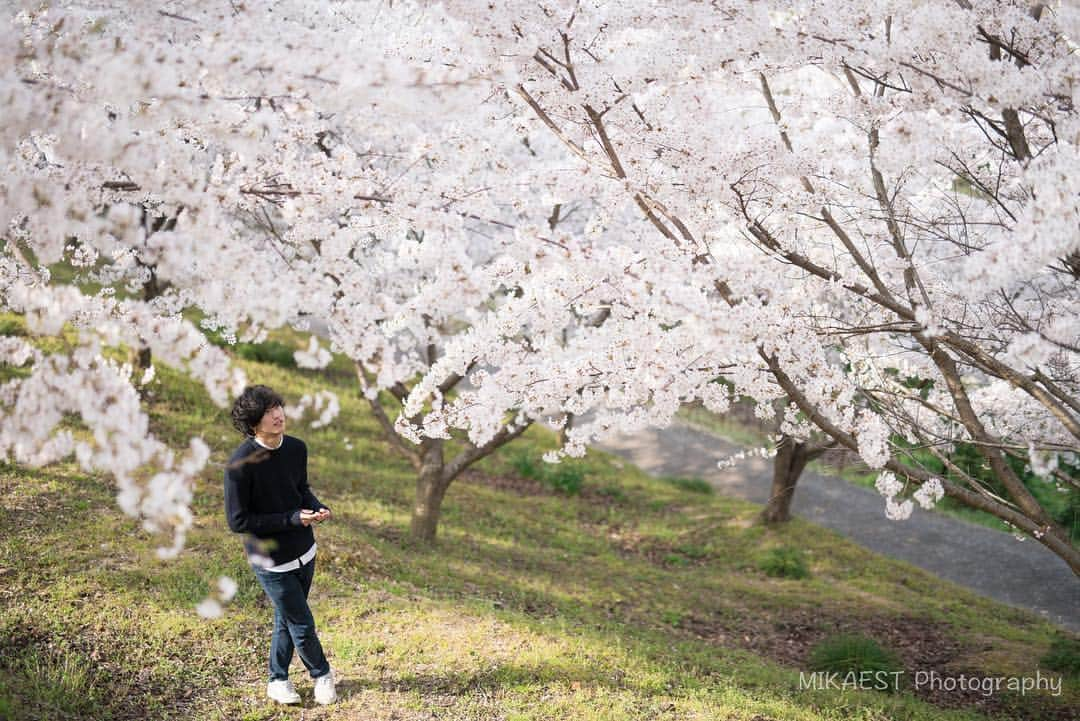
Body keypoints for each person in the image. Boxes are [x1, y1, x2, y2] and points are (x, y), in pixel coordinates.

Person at [224, 384, 337, 706]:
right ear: (252, 423)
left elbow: (300, 488)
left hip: (305, 551)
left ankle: (277, 679)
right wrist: (291, 519)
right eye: (267, 412)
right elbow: (238, 521)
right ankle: (322, 675)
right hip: (270, 560)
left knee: (286, 617)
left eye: (278, 408)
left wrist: (316, 507)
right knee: (301, 622)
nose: (277, 415)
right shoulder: (240, 464)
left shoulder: (296, 448)